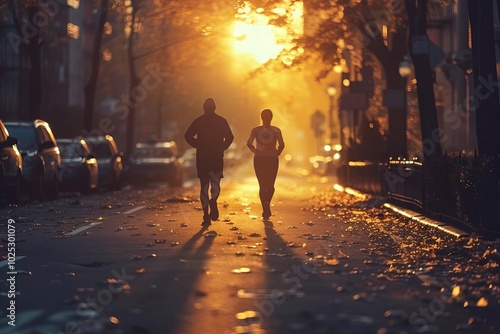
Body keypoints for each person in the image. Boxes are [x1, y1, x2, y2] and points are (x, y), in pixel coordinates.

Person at [185, 98, 234, 225]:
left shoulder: (199, 121)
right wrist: (221, 147)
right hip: (216, 157)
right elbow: (230, 137)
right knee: (215, 183)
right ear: (215, 108)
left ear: (203, 108)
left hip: (202, 157)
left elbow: (187, 135)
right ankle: (213, 199)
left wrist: (197, 145)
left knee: (204, 186)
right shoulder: (221, 121)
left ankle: (206, 216)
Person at [247, 109, 285, 220]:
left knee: (262, 185)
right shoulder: (276, 130)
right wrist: (277, 152)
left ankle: (265, 208)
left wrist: (256, 150)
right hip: (272, 159)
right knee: (271, 185)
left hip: (259, 159)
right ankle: (267, 201)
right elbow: (282, 144)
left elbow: (249, 143)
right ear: (271, 117)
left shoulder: (255, 130)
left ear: (261, 117)